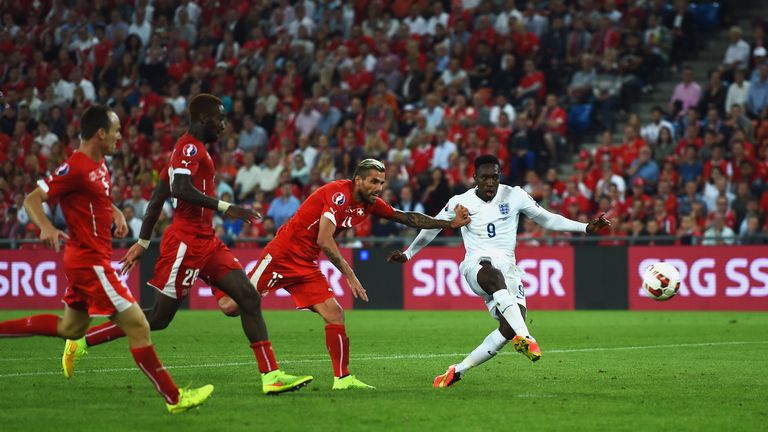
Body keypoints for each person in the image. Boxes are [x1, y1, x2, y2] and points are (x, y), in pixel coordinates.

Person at [63, 95, 313, 395]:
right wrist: (226, 207)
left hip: (207, 241)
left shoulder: (192, 151)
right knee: (158, 318)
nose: (223, 125)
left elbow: (158, 197)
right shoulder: (189, 147)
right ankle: (82, 341)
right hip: (185, 242)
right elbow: (179, 189)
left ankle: (271, 376)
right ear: (204, 118)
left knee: (248, 297)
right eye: (220, 119)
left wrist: (143, 241)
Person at [0, 106, 213, 413]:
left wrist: (113, 211)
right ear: (100, 133)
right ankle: (176, 398)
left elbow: (96, 194)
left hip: (85, 259)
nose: (119, 137)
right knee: (139, 325)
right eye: (115, 130)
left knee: (71, 329)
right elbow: (32, 199)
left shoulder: (100, 166)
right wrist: (46, 226)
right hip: (91, 262)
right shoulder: (75, 166)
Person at [246, 158, 471, 389]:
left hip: (305, 262)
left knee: (334, 314)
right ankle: (213, 270)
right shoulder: (338, 195)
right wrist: (350, 274)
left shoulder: (370, 203)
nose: (379, 188)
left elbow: (406, 217)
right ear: (358, 180)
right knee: (234, 305)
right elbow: (324, 239)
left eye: (382, 182)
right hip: (282, 255)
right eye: (373, 181)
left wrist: (448, 223)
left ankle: (342, 379)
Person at [387, 155, 609, 388]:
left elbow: (547, 219)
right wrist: (409, 253)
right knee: (492, 274)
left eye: (494, 177)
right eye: (485, 177)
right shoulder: (459, 202)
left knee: (508, 325)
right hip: (476, 265)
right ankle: (527, 337)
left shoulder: (515, 195)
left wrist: (585, 227)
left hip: (509, 268)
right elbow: (431, 227)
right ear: (475, 178)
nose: (490, 182)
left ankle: (458, 370)